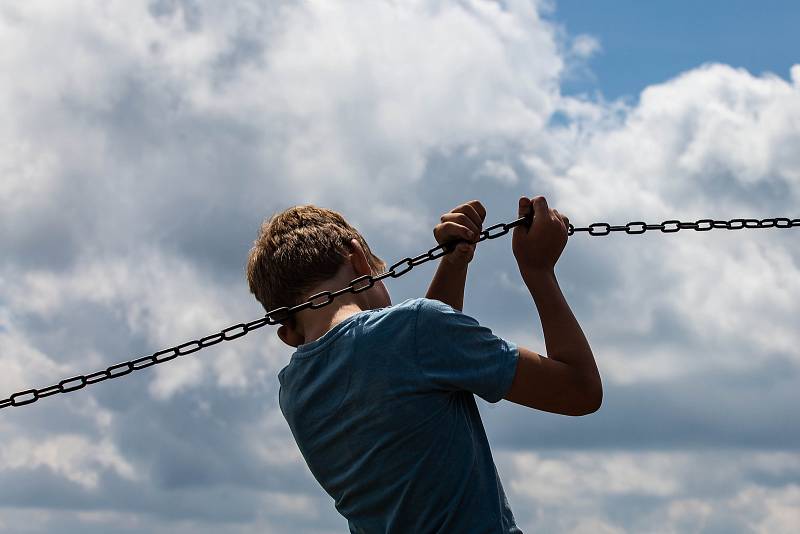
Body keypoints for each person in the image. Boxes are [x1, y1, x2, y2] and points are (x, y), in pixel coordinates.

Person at [246, 196, 602, 533]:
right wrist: (539, 270)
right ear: (358, 259)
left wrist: (454, 261)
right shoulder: (416, 332)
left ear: (287, 333)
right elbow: (580, 391)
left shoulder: (294, 392)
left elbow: (419, 367)